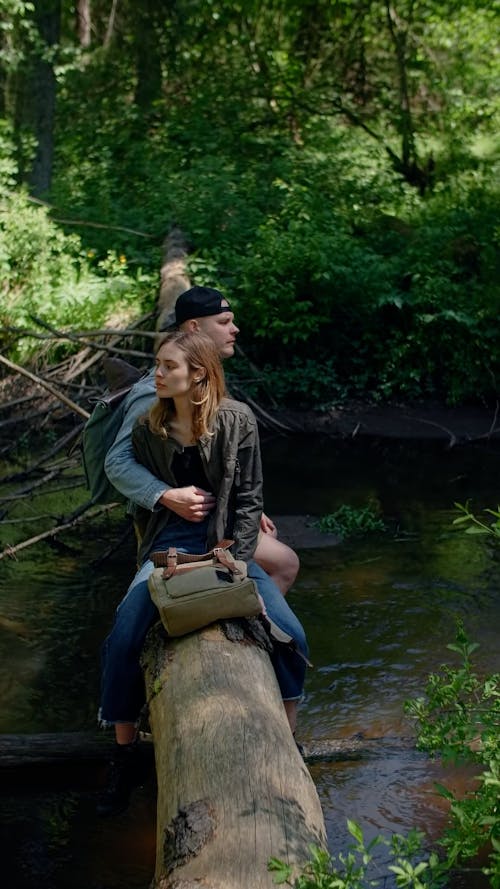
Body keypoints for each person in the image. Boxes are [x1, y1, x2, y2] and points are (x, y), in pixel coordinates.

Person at [97, 331, 309, 816]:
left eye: (167, 367)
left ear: (198, 374)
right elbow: (128, 479)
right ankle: (124, 753)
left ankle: (290, 743)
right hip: (167, 545)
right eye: (156, 364)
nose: (156, 373)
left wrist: (234, 556)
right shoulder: (149, 427)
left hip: (227, 543)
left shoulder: (237, 421)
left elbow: (250, 499)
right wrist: (165, 498)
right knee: (124, 634)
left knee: (292, 634)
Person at [104, 285, 299, 596]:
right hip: (171, 520)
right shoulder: (157, 393)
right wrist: (166, 494)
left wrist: (242, 501)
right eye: (223, 322)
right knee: (284, 562)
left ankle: (246, 620)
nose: (234, 329)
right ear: (194, 327)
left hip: (213, 514)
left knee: (282, 558)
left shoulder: (208, 382)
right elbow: (117, 461)